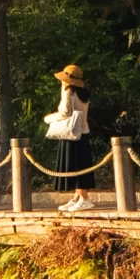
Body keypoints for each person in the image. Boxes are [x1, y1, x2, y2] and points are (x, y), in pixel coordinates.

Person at [44, 63, 94, 214]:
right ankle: (77, 197)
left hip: (71, 134)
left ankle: (84, 198)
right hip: (83, 132)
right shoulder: (84, 93)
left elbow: (65, 113)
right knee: (82, 164)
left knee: (75, 167)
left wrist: (49, 119)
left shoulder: (68, 91)